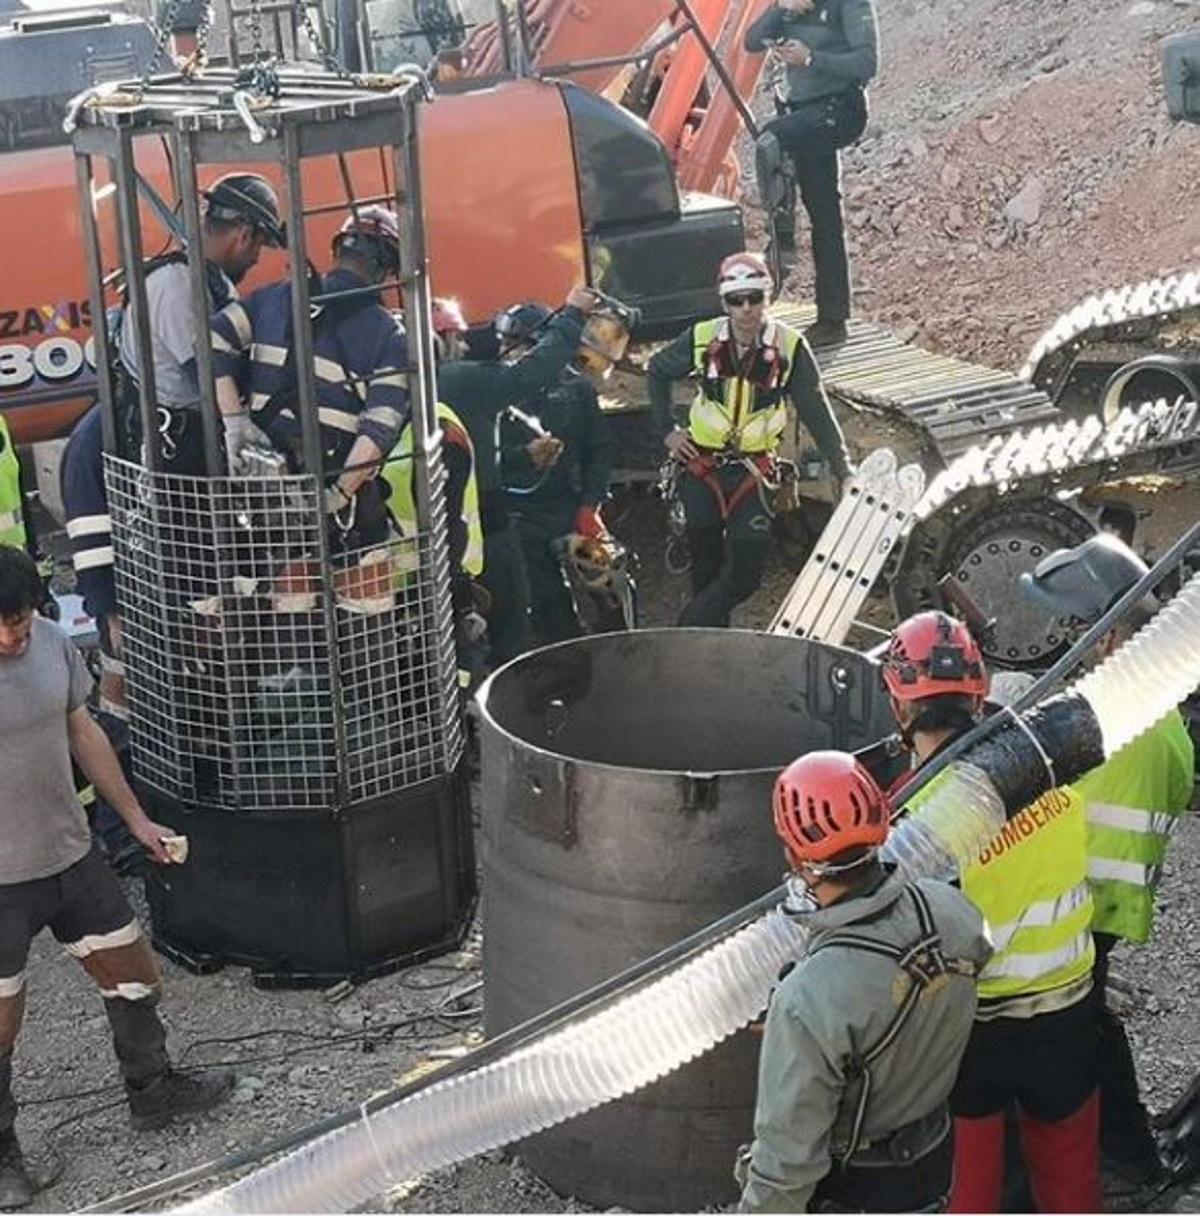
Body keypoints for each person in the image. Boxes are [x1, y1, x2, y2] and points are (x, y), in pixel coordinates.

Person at [0, 545, 231, 1209]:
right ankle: (2, 1149)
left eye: (20, 619)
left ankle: (152, 1089)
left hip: (72, 858)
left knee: (133, 973)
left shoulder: (50, 645)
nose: (13, 635)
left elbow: (84, 732)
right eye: (1, 624)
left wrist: (134, 820)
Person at [881, 610, 1102, 1213]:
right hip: (1067, 1009)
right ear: (978, 692)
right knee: (1070, 1179)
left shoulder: (914, 822)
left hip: (973, 1031)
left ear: (900, 707)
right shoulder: (1051, 771)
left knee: (970, 1187)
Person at [737, 750, 991, 1213]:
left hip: (859, 1189)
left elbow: (787, 1162)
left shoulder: (807, 1001)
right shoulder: (953, 913)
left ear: (798, 858)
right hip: (932, 1159)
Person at [1021, 532, 1195, 1187]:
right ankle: (1120, 1153)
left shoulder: (1117, 720)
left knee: (1065, 1029)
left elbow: (1026, 794)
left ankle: (1121, 1158)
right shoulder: (1155, 711)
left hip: (1082, 898)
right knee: (1083, 1022)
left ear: (1113, 638)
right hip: (1098, 898)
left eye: (1076, 629)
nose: (1064, 645)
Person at [647, 251, 852, 628]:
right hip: (701, 465)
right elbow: (657, 371)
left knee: (744, 576)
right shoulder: (703, 338)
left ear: (767, 298)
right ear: (724, 302)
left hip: (753, 472)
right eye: (735, 300)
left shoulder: (789, 347)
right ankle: (710, 653)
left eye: (754, 298)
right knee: (705, 572)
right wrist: (668, 432)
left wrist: (843, 468)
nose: (746, 309)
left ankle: (684, 632)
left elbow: (816, 411)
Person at [212, 206, 410, 561]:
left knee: (270, 596)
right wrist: (338, 495)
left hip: (258, 487)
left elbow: (212, 341)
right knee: (360, 603)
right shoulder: (389, 335)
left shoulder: (273, 299)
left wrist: (235, 423)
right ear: (386, 267)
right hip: (330, 497)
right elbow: (380, 429)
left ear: (338, 251)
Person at [436, 286, 599, 666]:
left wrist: (524, 457)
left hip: (432, 535)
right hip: (483, 532)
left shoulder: (400, 391)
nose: (462, 346)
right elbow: (530, 374)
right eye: (456, 338)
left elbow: (464, 461)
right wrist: (573, 314)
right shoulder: (460, 379)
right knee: (509, 632)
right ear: (443, 339)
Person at [118, 172, 285, 473]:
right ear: (243, 235)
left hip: (194, 439)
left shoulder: (210, 282)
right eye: (258, 247)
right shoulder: (178, 287)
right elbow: (209, 374)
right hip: (175, 451)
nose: (256, 259)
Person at [744, 0, 879, 346]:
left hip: (839, 108)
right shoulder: (789, 9)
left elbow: (867, 63)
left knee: (771, 139)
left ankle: (783, 239)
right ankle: (833, 318)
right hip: (805, 113)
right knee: (825, 215)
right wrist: (779, 7)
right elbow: (751, 41)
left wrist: (811, 59)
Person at [499, 302, 614, 644]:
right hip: (520, 516)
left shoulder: (577, 389)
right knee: (549, 605)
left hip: (570, 505)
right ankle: (570, 670)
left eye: (514, 342)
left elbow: (599, 449)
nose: (507, 350)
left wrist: (590, 505)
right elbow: (487, 460)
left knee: (608, 586)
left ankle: (621, 650)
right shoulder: (497, 391)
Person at [60, 404, 144, 875]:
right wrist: (111, 610)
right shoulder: (98, 436)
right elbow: (90, 534)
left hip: (158, 599)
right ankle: (117, 833)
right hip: (125, 605)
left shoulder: (133, 422)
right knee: (120, 714)